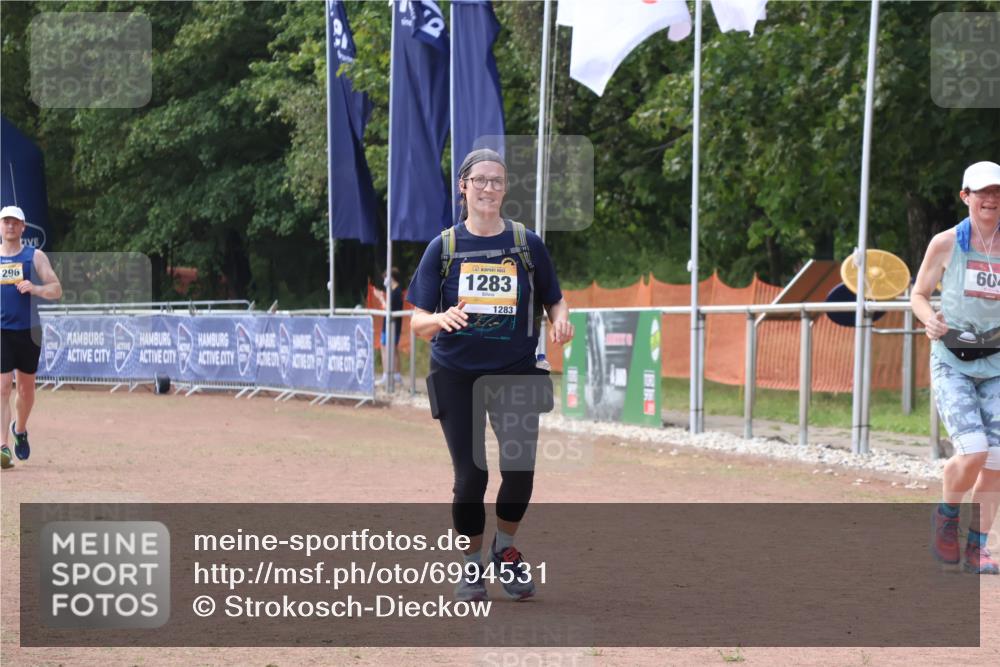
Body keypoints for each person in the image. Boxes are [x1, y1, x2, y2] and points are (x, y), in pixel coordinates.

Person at [407, 149, 574, 601]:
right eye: (479, 180)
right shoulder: (443, 247)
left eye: (496, 181)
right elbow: (417, 321)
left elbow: (554, 297)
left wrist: (560, 318)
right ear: (463, 186)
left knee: (520, 469)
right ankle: (471, 565)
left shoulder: (527, 243)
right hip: (457, 374)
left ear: (504, 188)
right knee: (471, 478)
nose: (488, 188)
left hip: (516, 372)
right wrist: (440, 319)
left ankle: (505, 549)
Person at [912, 161, 1000, 575]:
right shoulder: (946, 243)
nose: (991, 199)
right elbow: (919, 294)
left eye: (998, 192)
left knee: (997, 462)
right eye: (983, 192)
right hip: (953, 361)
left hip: (997, 362)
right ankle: (947, 516)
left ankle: (977, 548)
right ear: (966, 197)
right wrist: (928, 318)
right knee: (974, 450)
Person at [0, 205, 62, 470]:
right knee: (2, 386)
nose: (10, 226)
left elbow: (56, 289)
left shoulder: (34, 256)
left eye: (15, 222)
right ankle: (2, 448)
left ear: (23, 227)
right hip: (1, 330)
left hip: (29, 331)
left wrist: (35, 288)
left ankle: (20, 429)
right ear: (0, 226)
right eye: (6, 222)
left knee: (26, 390)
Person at [373, 267, 403, 386]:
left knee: (388, 348)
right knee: (390, 348)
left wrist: (380, 298)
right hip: (391, 325)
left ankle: (391, 374)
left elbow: (388, 308)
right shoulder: (394, 290)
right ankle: (394, 375)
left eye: (386, 277)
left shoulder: (396, 291)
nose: (384, 280)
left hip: (392, 325)